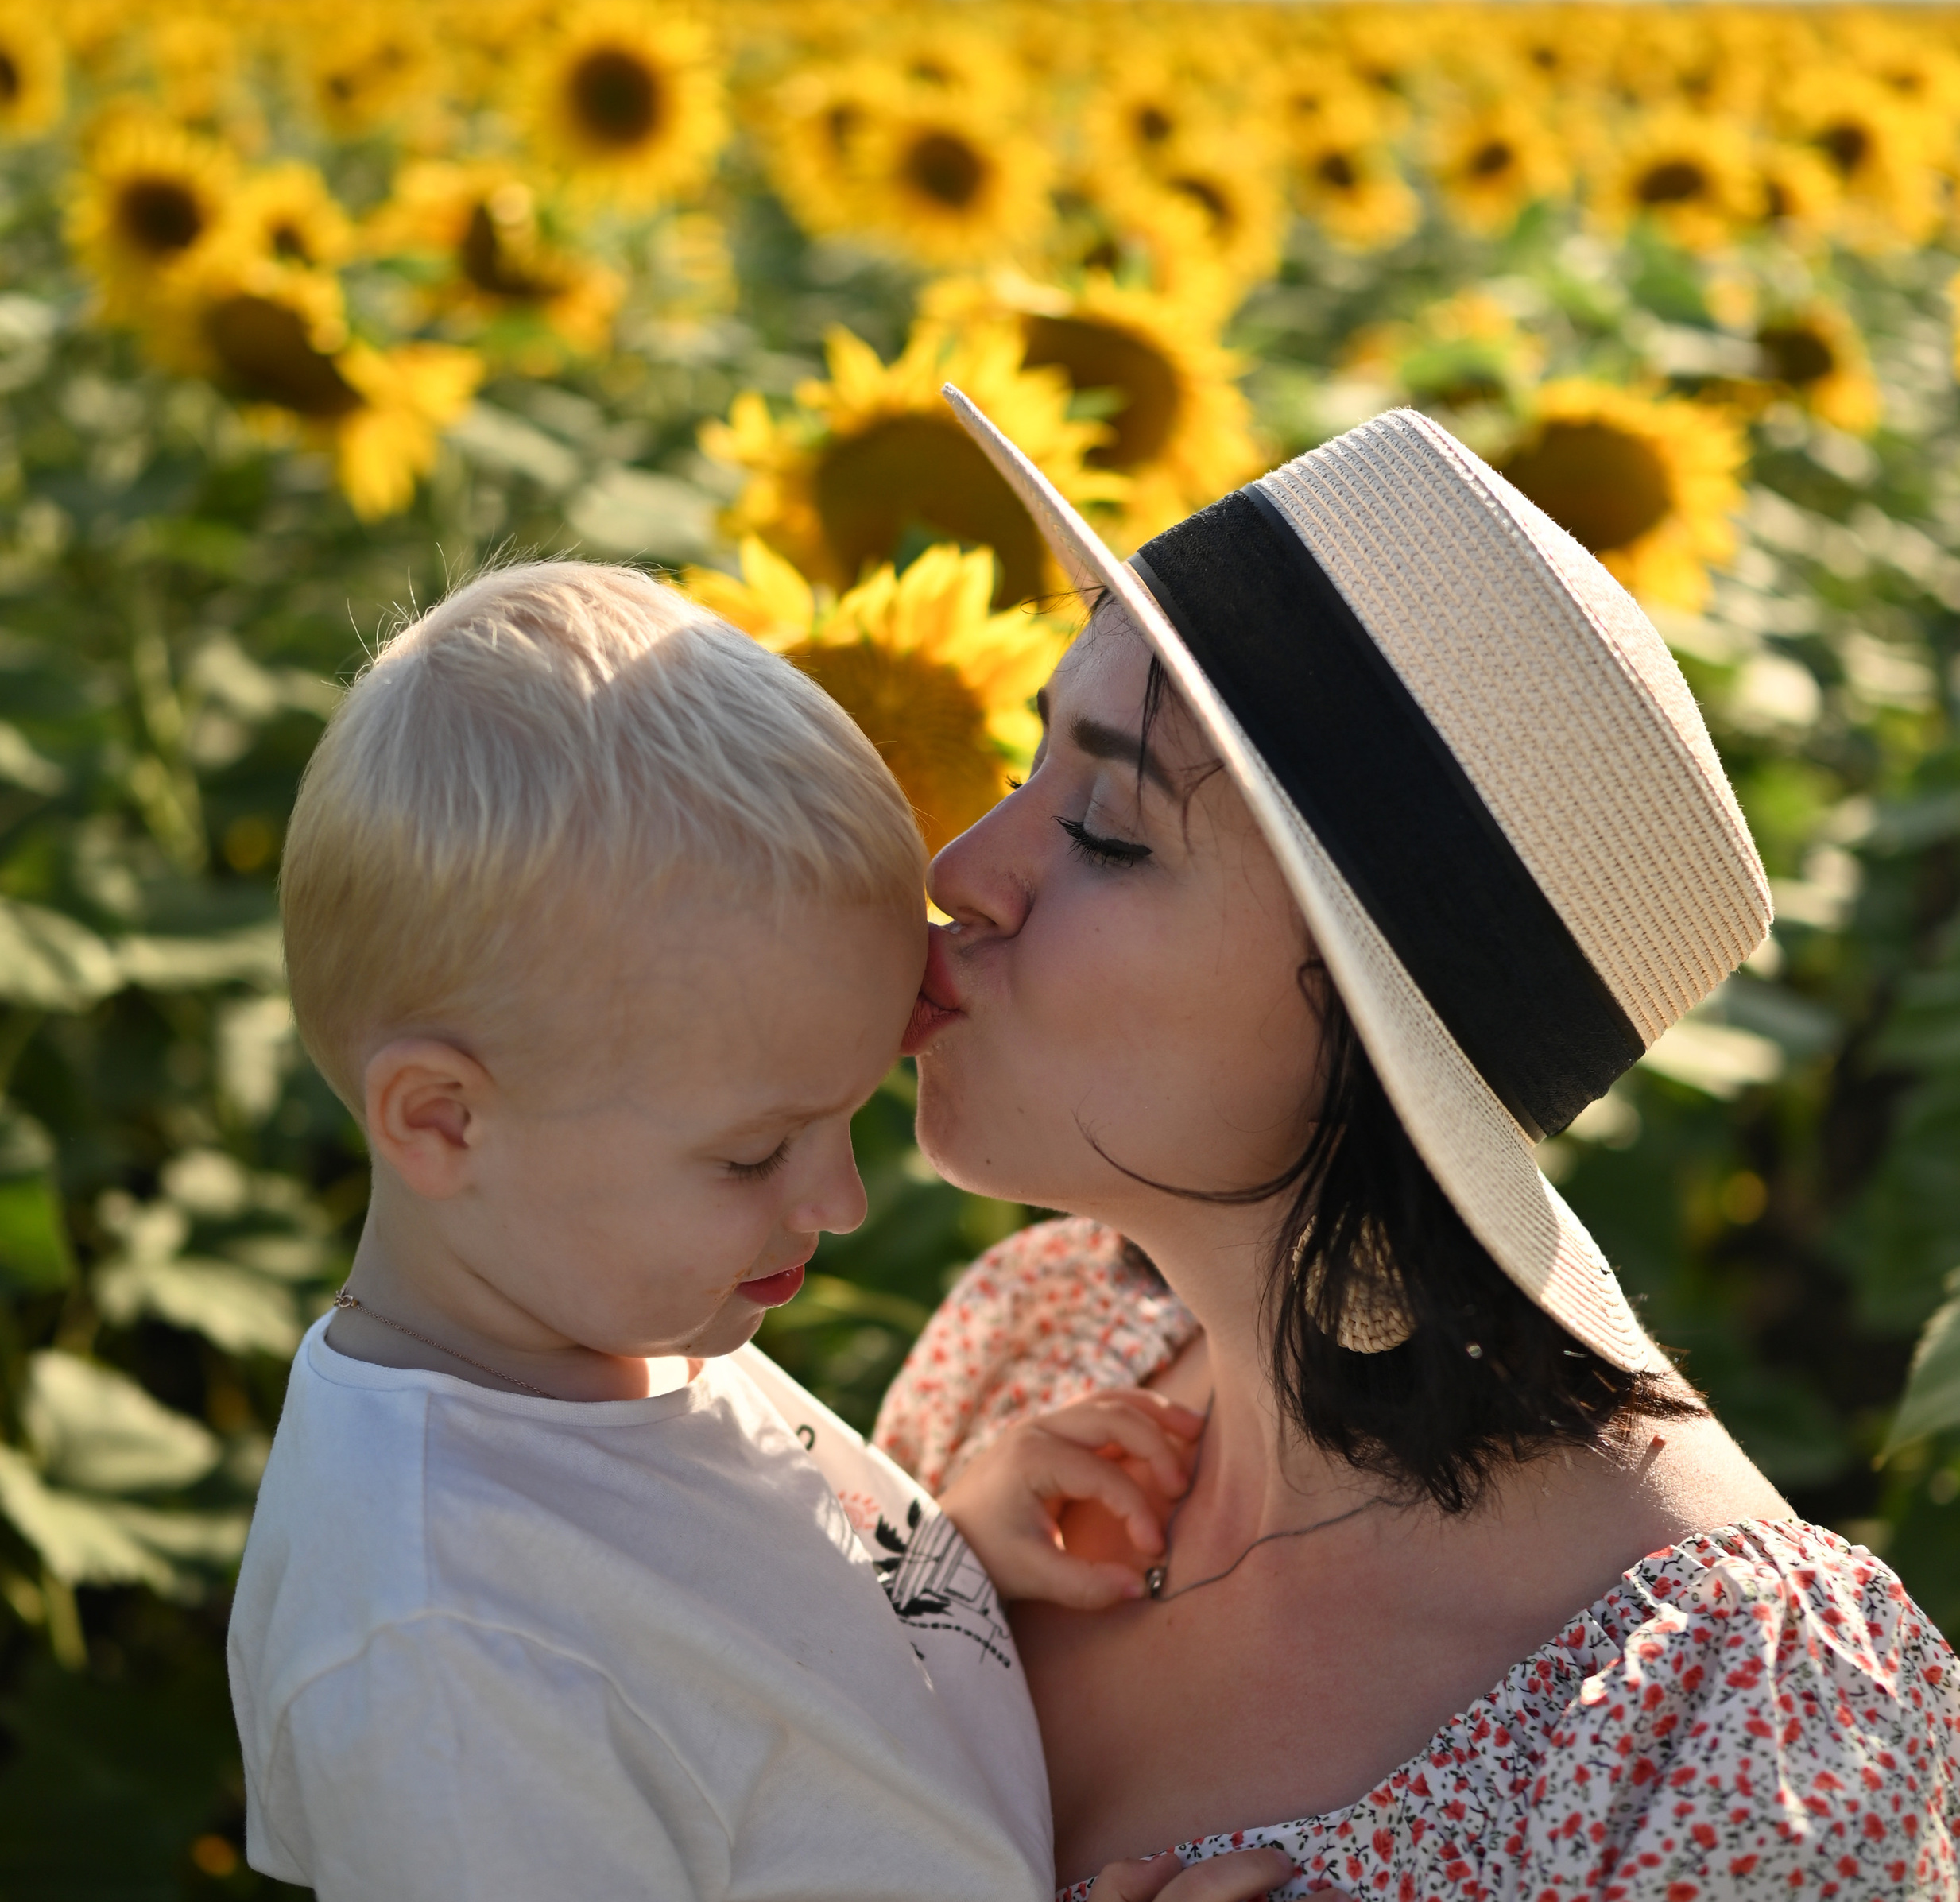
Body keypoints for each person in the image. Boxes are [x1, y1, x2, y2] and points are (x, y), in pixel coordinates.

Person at [881, 393, 1960, 1902]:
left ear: (1374, 1024)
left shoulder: (1735, 1729)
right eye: (1036, 770)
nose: (965, 870)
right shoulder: (1037, 1355)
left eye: (1105, 829)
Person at [227, 561, 1292, 1902]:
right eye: (750, 1151)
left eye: (850, 1110)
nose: (837, 1202)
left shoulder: (603, 1323)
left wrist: (932, 1564)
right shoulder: (451, 1653)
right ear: (443, 1123)